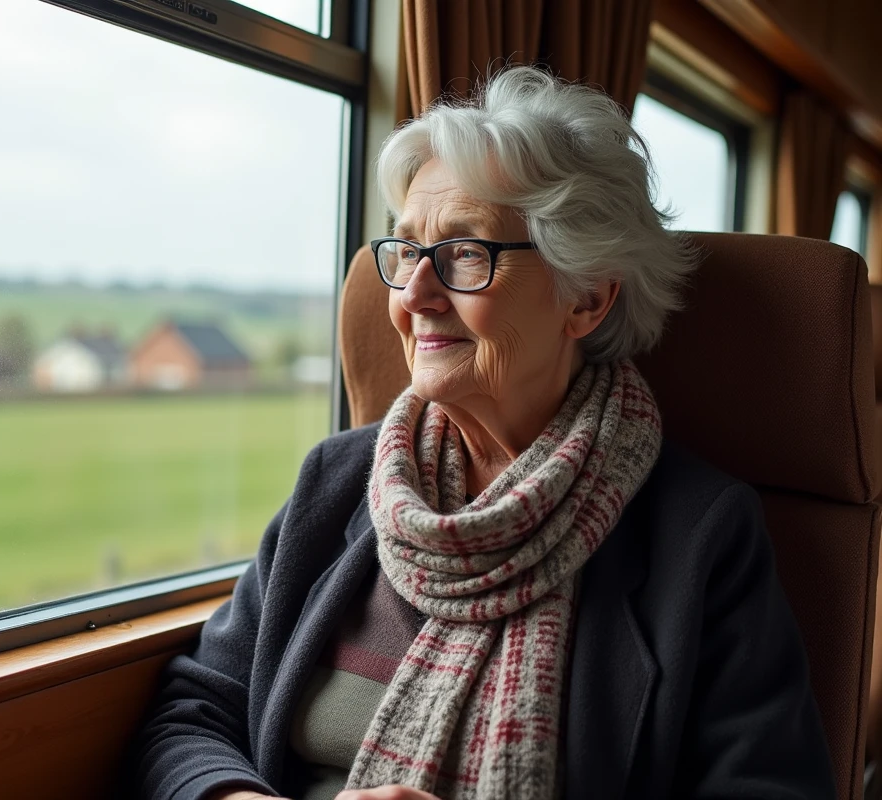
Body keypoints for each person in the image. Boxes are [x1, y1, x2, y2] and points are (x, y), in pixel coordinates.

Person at [131, 66, 835, 800]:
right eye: (406, 252)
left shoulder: (700, 535)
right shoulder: (337, 482)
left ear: (587, 297)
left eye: (466, 253)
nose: (412, 297)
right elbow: (192, 715)